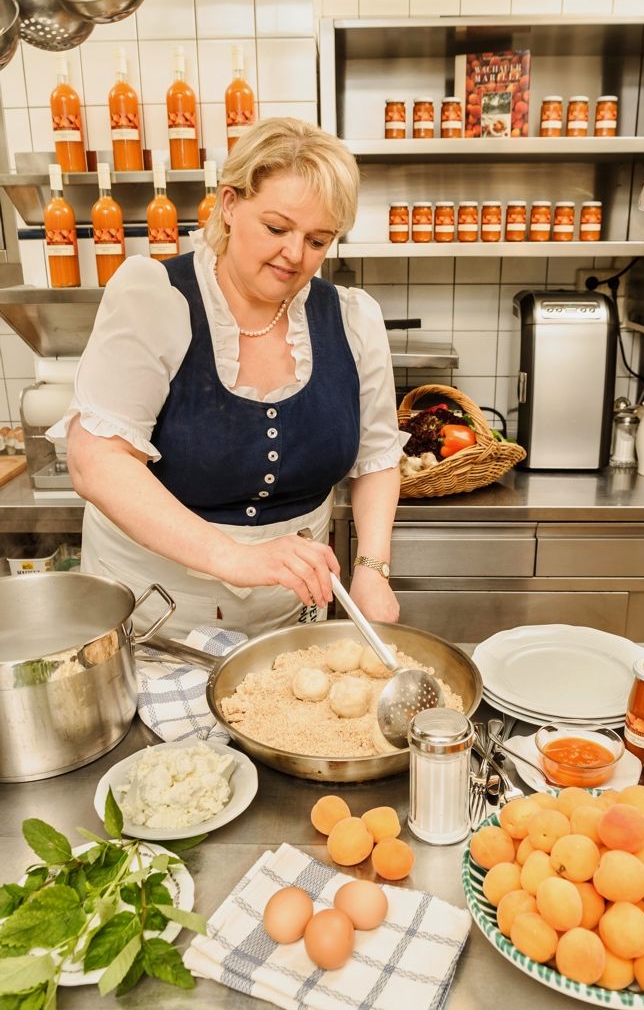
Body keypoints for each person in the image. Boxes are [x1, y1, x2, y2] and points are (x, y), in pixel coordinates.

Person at [48, 118, 403, 639]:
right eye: (277, 228)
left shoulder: (352, 319)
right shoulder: (155, 297)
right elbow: (95, 461)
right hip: (157, 611)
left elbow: (376, 458)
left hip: (289, 609)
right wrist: (233, 556)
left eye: (318, 239)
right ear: (230, 205)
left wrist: (372, 568)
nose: (295, 255)